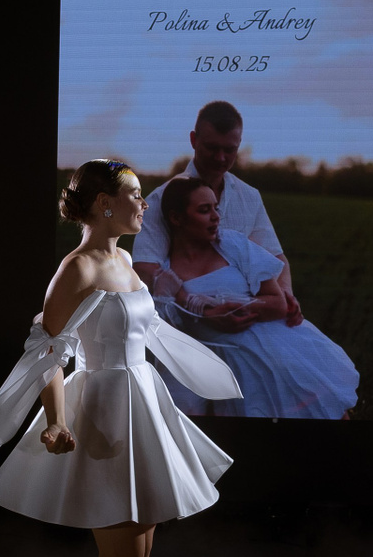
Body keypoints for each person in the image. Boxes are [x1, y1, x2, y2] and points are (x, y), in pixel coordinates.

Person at [0, 159, 241, 557]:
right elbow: (48, 353)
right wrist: (55, 420)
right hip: (105, 414)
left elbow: (148, 332)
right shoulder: (78, 268)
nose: (144, 204)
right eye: (135, 195)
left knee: (140, 556)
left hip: (141, 405)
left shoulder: (125, 262)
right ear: (102, 204)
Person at [152, 177, 359, 420]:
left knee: (324, 408)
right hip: (229, 363)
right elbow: (174, 333)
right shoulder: (167, 275)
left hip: (278, 345)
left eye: (216, 208)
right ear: (176, 218)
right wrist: (206, 315)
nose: (216, 217)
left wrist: (232, 307)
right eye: (204, 210)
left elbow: (278, 303)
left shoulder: (232, 244)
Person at [132, 100, 303, 328]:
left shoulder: (249, 196)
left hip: (254, 320)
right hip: (189, 327)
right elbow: (145, 269)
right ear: (194, 140)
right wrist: (200, 309)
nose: (220, 158)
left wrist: (285, 294)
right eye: (212, 148)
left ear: (239, 145)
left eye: (229, 149)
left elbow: (275, 256)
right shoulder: (159, 199)